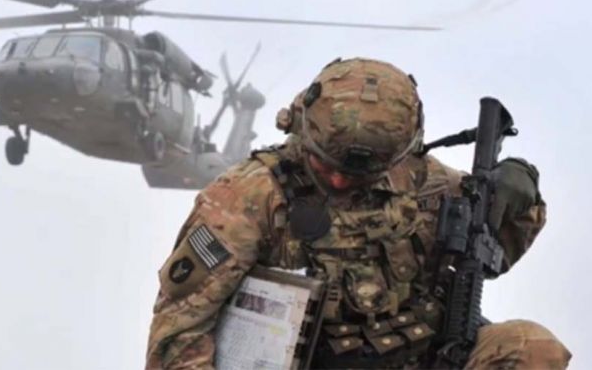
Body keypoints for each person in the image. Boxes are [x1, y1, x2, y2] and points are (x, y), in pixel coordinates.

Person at [145, 58, 571, 369]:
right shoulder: (246, 198)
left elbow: (495, 252)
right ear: (300, 128)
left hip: (421, 356)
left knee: (532, 348)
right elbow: (180, 330)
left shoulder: (427, 182)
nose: (337, 182)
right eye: (325, 165)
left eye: (356, 175)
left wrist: (520, 191)